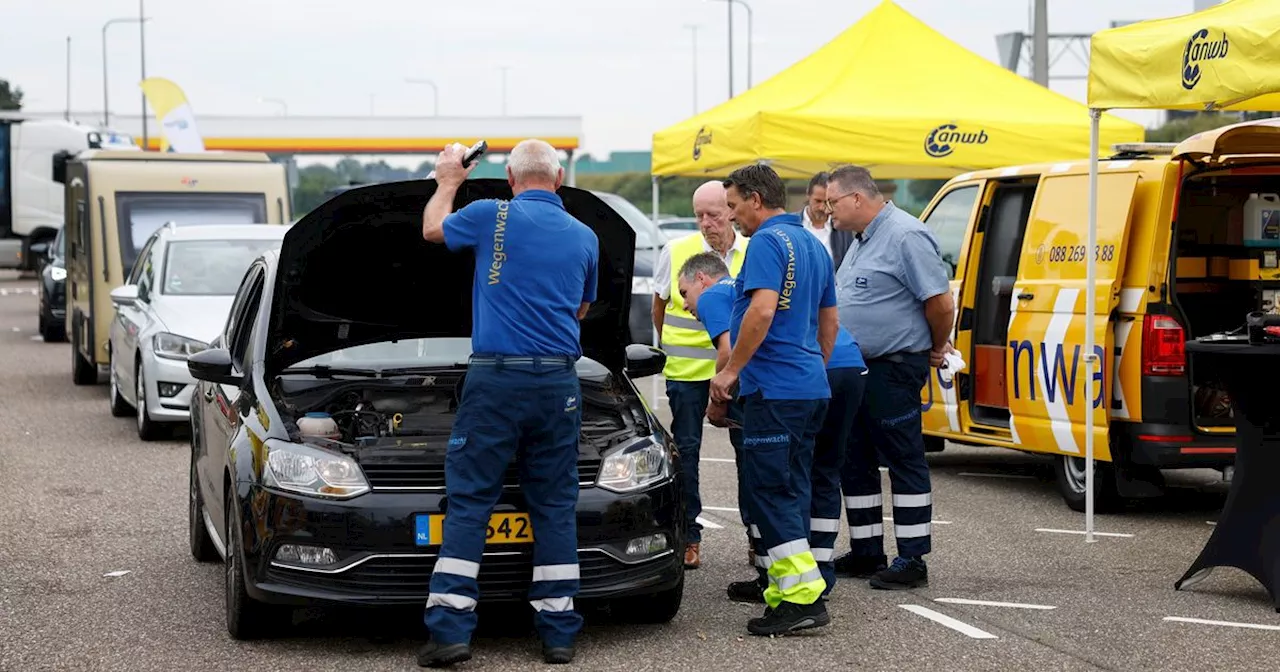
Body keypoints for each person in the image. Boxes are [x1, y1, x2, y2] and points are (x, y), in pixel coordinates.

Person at [418, 139, 598, 667]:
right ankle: (559, 633)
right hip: (558, 385)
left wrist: (448, 178)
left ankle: (451, 630)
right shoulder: (585, 236)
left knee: (472, 501)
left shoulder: (487, 214)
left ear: (511, 180)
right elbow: (583, 308)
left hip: (496, 382)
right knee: (554, 504)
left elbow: (431, 229)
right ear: (559, 178)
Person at [678, 251, 867, 603]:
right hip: (846, 367)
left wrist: (719, 401)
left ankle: (775, 577)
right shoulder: (755, 284)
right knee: (823, 473)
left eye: (684, 294)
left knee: (771, 478)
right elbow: (831, 321)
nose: (686, 305)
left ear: (702, 279)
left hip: (797, 377)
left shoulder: (716, 295)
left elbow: (728, 348)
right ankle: (820, 573)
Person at [709, 164, 839, 636]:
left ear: (757, 200)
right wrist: (812, 366)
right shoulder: (812, 244)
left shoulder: (765, 242)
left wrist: (732, 370)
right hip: (808, 387)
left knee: (770, 491)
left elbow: (762, 309)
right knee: (795, 487)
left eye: (734, 205)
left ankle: (801, 598)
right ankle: (791, 589)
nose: (733, 215)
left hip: (775, 391)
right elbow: (830, 322)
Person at [823, 165, 956, 591]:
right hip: (859, 369)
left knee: (903, 459)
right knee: (855, 460)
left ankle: (913, 558)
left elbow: (939, 301)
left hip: (893, 367)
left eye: (832, 203)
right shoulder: (861, 239)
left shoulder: (905, 235)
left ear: (857, 199)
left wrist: (936, 346)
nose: (828, 212)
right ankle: (867, 552)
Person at [650, 180, 748, 569]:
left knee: (749, 454)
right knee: (686, 454)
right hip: (687, 374)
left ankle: (757, 535)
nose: (706, 223)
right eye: (699, 215)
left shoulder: (752, 251)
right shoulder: (676, 251)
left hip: (739, 374)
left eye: (714, 214)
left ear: (731, 211)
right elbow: (659, 309)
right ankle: (690, 535)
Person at [801, 171, 856, 272]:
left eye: (828, 202)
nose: (822, 207)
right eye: (817, 201)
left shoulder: (843, 229)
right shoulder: (792, 224)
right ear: (808, 196)